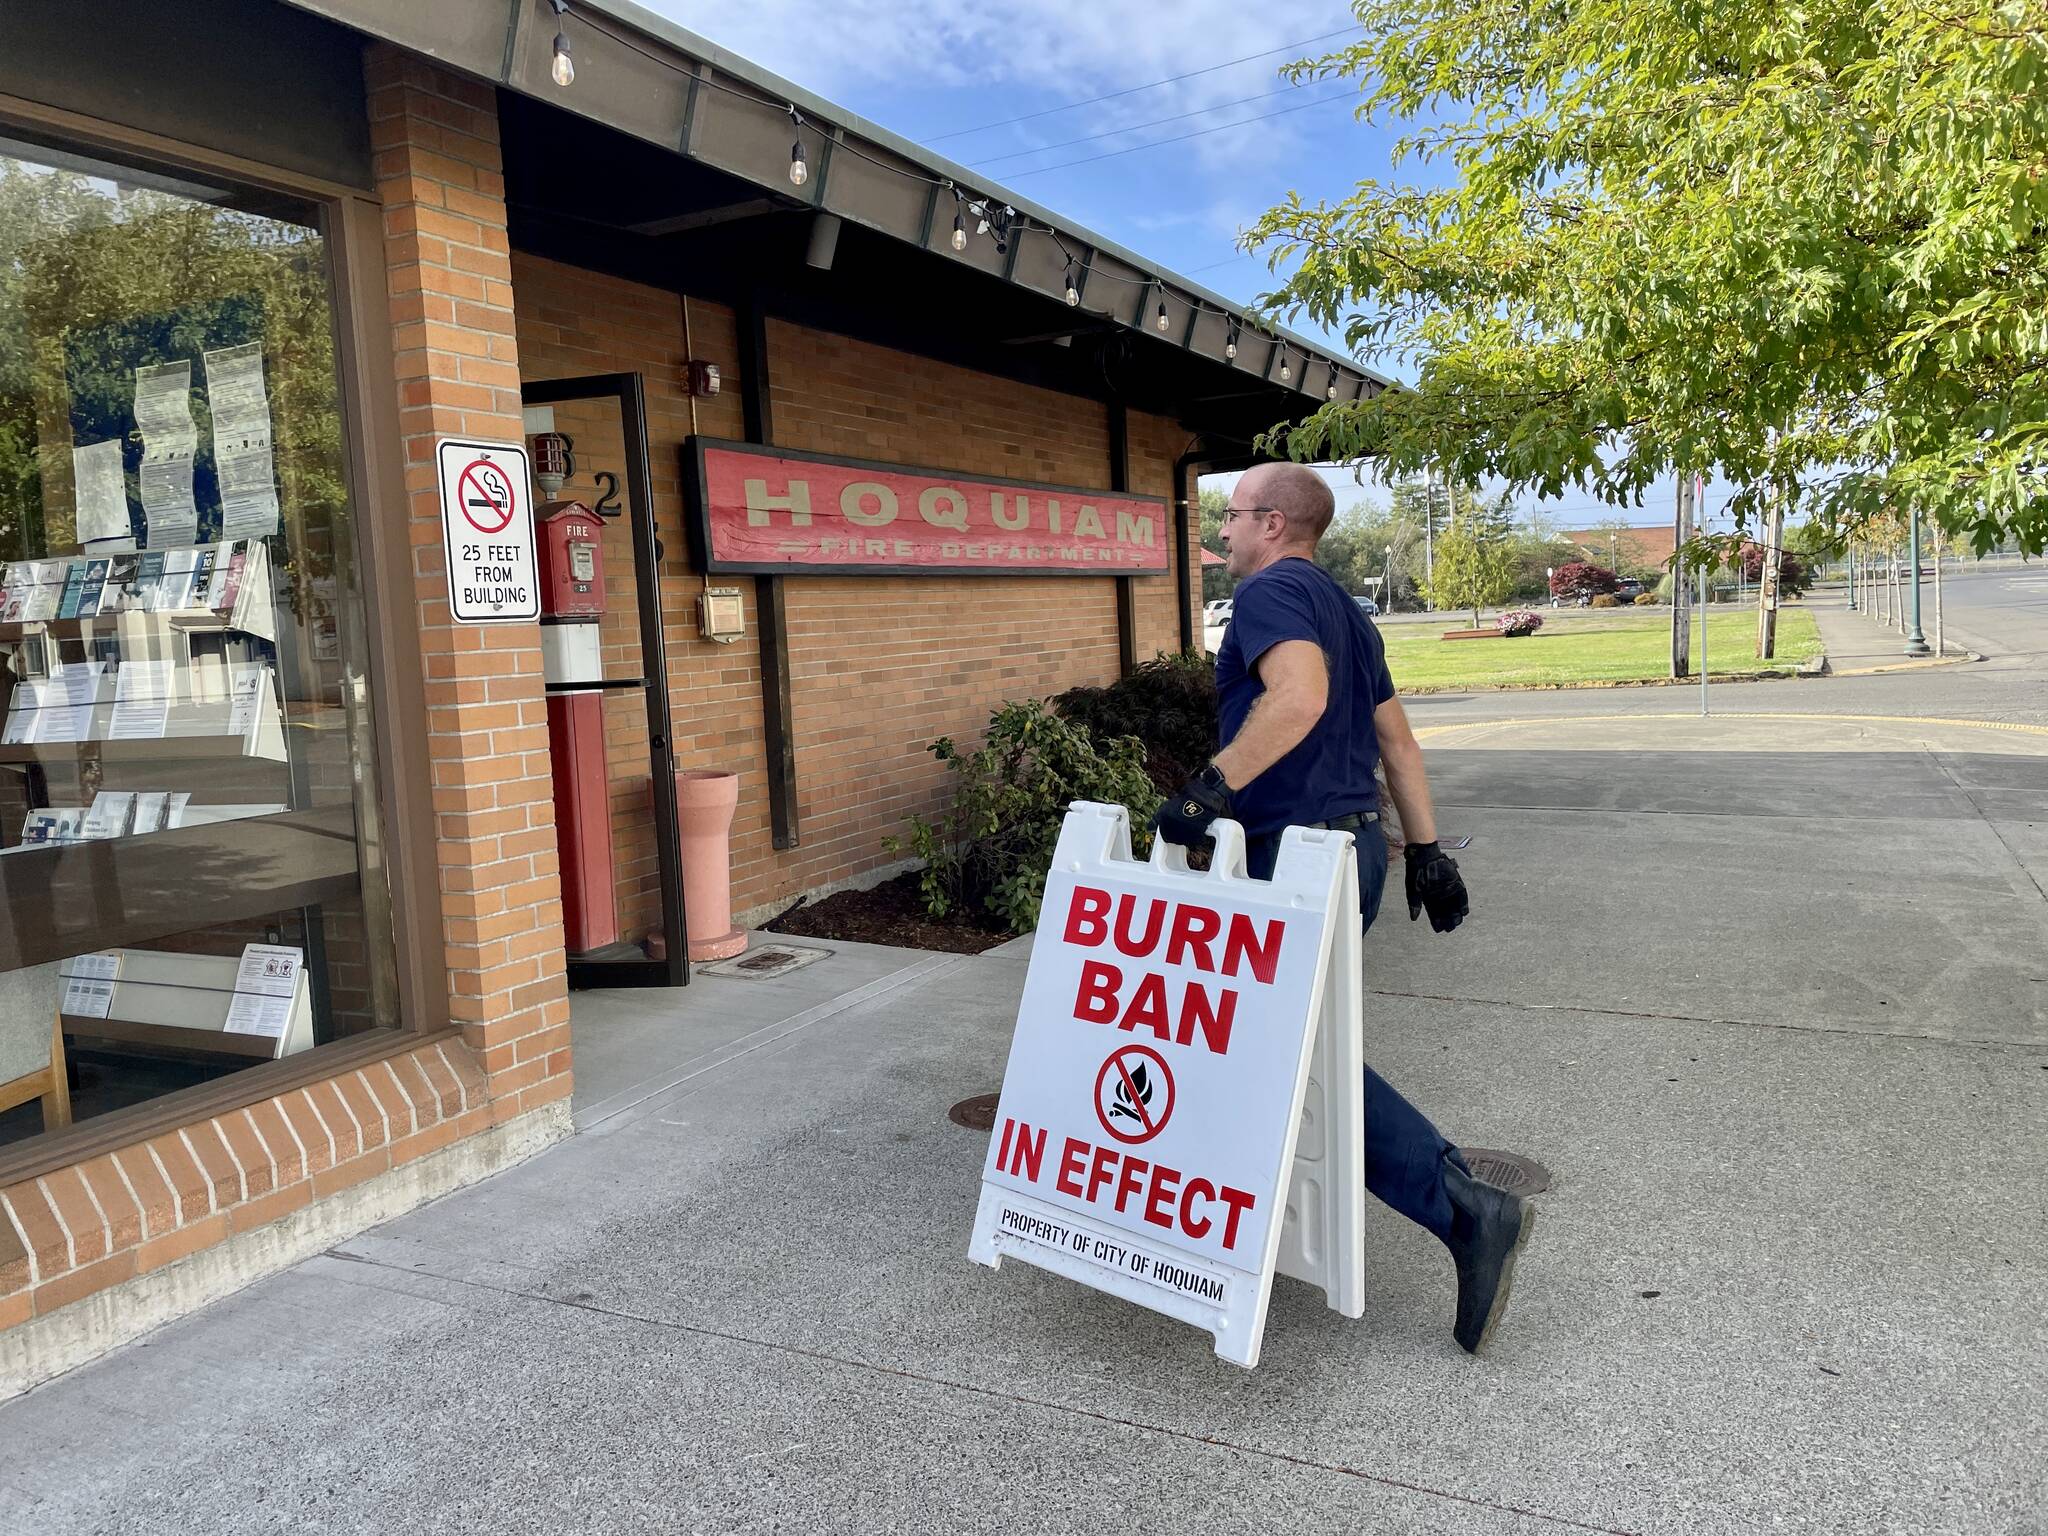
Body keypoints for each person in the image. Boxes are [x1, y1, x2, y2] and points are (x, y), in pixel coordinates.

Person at [1151, 462, 1534, 1355]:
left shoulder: (1272, 593)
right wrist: (1426, 850)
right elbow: (1395, 739)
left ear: (1277, 523)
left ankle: (1466, 1207)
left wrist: (1209, 789)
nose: (1226, 529)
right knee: (1278, 1039)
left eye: (1236, 513)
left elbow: (1300, 699)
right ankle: (1244, 1213)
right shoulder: (1347, 613)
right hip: (1349, 844)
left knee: (1287, 1048)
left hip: (1296, 854)